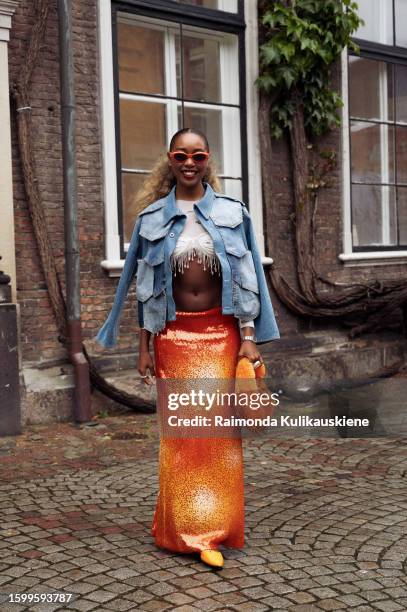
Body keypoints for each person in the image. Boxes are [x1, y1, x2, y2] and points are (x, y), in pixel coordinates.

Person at [96, 128, 280, 568]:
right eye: (181, 155)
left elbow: (248, 278)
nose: (189, 162)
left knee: (217, 438)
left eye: (197, 154)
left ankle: (211, 530)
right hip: (174, 338)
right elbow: (144, 288)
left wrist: (249, 338)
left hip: (221, 337)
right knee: (181, 438)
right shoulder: (152, 219)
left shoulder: (234, 214)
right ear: (170, 160)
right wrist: (144, 346)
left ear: (207, 159)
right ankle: (180, 528)